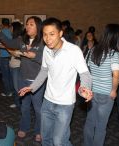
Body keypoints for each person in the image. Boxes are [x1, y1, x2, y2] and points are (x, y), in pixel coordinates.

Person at [18, 17, 92, 146]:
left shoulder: (73, 50)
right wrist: (32, 87)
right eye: (45, 35)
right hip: (47, 101)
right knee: (45, 138)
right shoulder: (46, 49)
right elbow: (44, 71)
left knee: (59, 141)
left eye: (52, 34)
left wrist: (84, 88)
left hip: (65, 104)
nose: (48, 38)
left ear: (60, 33)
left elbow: (85, 74)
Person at [0, 16, 45, 142]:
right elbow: (9, 43)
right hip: (23, 78)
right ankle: (24, 127)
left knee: (38, 109)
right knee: (24, 106)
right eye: (27, 24)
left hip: (37, 81)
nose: (27, 26)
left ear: (38, 26)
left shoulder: (43, 42)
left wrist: (34, 56)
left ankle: (39, 130)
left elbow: (46, 61)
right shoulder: (22, 40)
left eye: (31, 24)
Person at [83, 24, 119, 146]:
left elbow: (86, 69)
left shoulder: (93, 49)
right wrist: (114, 90)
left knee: (90, 122)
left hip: (92, 92)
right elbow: (116, 74)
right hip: (106, 93)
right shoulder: (114, 54)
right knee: (101, 126)